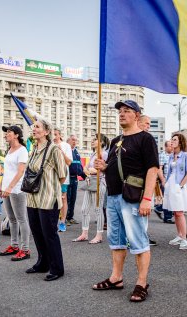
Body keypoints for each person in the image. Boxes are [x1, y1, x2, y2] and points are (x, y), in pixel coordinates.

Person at [92, 100, 159, 303]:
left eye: (127, 111)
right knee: (116, 240)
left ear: (136, 115)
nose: (122, 114)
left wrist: (147, 198)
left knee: (138, 240)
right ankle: (116, 278)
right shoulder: (115, 141)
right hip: (112, 196)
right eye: (120, 111)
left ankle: (141, 283)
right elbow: (114, 165)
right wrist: (103, 166)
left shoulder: (145, 139)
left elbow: (152, 169)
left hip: (133, 198)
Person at [25, 119, 67, 281]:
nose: (34, 129)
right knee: (37, 232)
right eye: (33, 127)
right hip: (32, 198)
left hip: (48, 199)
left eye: (37, 127)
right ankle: (43, 263)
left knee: (49, 234)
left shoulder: (54, 149)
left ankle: (57, 268)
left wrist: (51, 188)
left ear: (46, 132)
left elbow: (63, 175)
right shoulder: (34, 149)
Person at [0, 125, 31, 261]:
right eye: (6, 132)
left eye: (9, 132)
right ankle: (14, 245)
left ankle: (25, 249)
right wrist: (1, 185)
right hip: (7, 188)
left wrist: (10, 187)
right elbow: (7, 171)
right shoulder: (9, 150)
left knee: (21, 219)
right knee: (11, 219)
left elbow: (20, 171)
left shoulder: (22, 150)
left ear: (17, 135)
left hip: (17, 189)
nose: (6, 134)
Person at [72, 134, 109, 244]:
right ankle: (84, 234)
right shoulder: (93, 154)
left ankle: (99, 235)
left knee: (98, 210)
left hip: (99, 183)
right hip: (90, 182)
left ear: (101, 142)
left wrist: (92, 170)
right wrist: (90, 170)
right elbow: (86, 169)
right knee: (84, 209)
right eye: (92, 139)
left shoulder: (104, 154)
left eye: (95, 140)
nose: (92, 141)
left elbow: (100, 169)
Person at [165, 134, 187, 250]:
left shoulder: (186, 155)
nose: (172, 141)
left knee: (179, 212)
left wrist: (180, 186)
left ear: (180, 142)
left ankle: (184, 238)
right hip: (170, 184)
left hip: (179, 185)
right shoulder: (171, 156)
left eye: (175, 140)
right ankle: (179, 235)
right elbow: (169, 172)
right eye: (172, 139)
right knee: (175, 212)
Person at [138, 114, 159, 246]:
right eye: (146, 124)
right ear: (138, 122)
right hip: (135, 184)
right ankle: (139, 237)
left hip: (145, 182)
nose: (148, 127)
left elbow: (153, 166)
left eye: (150, 124)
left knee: (144, 212)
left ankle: (143, 236)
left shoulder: (148, 139)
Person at [53, 128, 72, 232]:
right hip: (50, 178)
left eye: (56, 134)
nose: (54, 137)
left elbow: (69, 162)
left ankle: (62, 222)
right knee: (52, 200)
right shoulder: (49, 145)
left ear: (60, 135)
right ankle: (53, 221)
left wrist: (60, 151)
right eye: (52, 135)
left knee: (63, 199)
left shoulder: (66, 146)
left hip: (63, 177)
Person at [66, 135, 86, 225]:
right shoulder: (66, 151)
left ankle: (70, 217)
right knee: (67, 199)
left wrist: (85, 176)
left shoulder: (76, 152)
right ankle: (65, 218)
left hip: (75, 179)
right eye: (73, 140)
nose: (74, 141)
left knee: (73, 199)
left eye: (76, 140)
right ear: (68, 141)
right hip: (67, 178)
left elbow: (80, 167)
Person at [157, 140, 174, 223]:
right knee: (168, 198)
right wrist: (163, 180)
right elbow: (159, 169)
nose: (172, 146)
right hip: (166, 180)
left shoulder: (174, 155)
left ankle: (158, 208)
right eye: (170, 145)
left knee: (171, 198)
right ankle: (167, 217)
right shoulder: (162, 155)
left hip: (173, 180)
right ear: (166, 147)